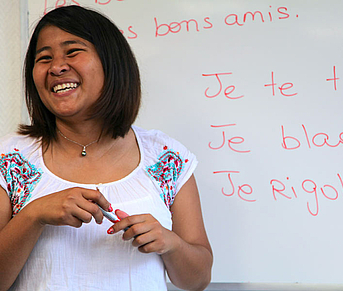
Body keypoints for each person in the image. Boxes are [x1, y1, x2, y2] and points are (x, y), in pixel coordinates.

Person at [0, 5, 212, 291]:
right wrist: (32, 215)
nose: (57, 67)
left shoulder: (167, 157)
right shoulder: (10, 159)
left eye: (72, 52)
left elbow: (197, 280)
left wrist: (170, 243)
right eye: (44, 58)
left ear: (111, 63)